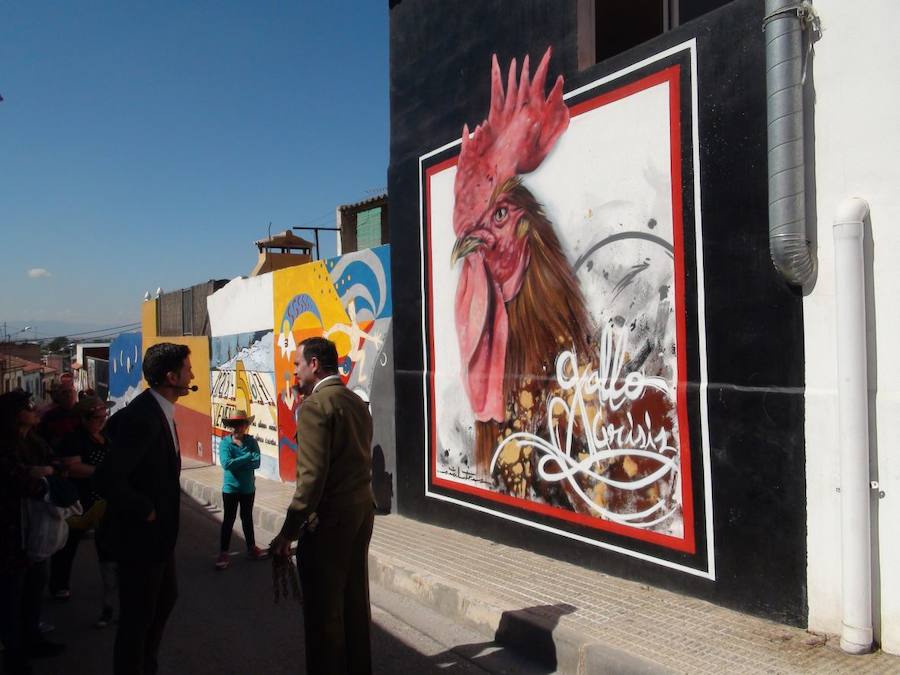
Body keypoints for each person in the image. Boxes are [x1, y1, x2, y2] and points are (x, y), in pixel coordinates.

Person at [270, 337, 375, 675]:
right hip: (359, 514)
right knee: (354, 603)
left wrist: (288, 532)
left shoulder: (316, 407)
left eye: (298, 364)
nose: (295, 372)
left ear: (314, 365)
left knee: (323, 613)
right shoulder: (355, 401)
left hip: (328, 521)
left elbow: (311, 479)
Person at [95, 343, 193, 675]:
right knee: (137, 621)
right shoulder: (144, 417)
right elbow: (108, 477)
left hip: (158, 540)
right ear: (171, 376)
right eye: (187, 368)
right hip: (141, 540)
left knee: (164, 601)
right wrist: (145, 509)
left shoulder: (155, 410)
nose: (192, 373)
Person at [0, 390, 66, 675]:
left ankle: (32, 640)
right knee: (10, 598)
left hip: (35, 532)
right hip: (10, 536)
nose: (35, 408)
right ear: (15, 415)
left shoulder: (34, 442)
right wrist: (38, 475)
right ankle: (14, 657)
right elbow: (21, 483)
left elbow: (57, 466)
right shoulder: (5, 447)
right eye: (29, 406)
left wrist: (44, 472)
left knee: (33, 590)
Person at [48, 395, 117, 627]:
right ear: (84, 419)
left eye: (104, 416)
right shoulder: (74, 439)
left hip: (104, 500)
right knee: (68, 544)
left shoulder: (105, 435)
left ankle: (111, 596)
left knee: (107, 548)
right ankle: (59, 584)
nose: (102, 420)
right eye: (98, 417)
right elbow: (73, 467)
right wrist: (101, 473)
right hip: (79, 500)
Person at [215, 409, 268, 570]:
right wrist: (247, 457)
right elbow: (226, 464)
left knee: (247, 519)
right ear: (231, 426)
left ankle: (251, 548)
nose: (238, 428)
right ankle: (224, 553)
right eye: (235, 424)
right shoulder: (225, 443)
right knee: (229, 520)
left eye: (241, 424)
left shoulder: (252, 442)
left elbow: (257, 463)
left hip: (248, 488)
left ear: (246, 425)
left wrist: (238, 462)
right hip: (230, 489)